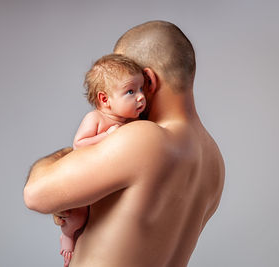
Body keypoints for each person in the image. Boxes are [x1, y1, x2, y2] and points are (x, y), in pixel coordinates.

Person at [24, 20, 225, 267]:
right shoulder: (213, 159)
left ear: (148, 80)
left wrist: (69, 155)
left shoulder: (144, 139)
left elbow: (35, 194)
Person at [59, 53, 146, 267]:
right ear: (104, 99)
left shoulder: (128, 124)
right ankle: (67, 236)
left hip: (102, 183)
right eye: (131, 91)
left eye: (142, 89)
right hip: (82, 180)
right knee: (77, 219)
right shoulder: (96, 118)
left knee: (98, 221)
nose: (141, 97)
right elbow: (79, 143)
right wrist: (107, 136)